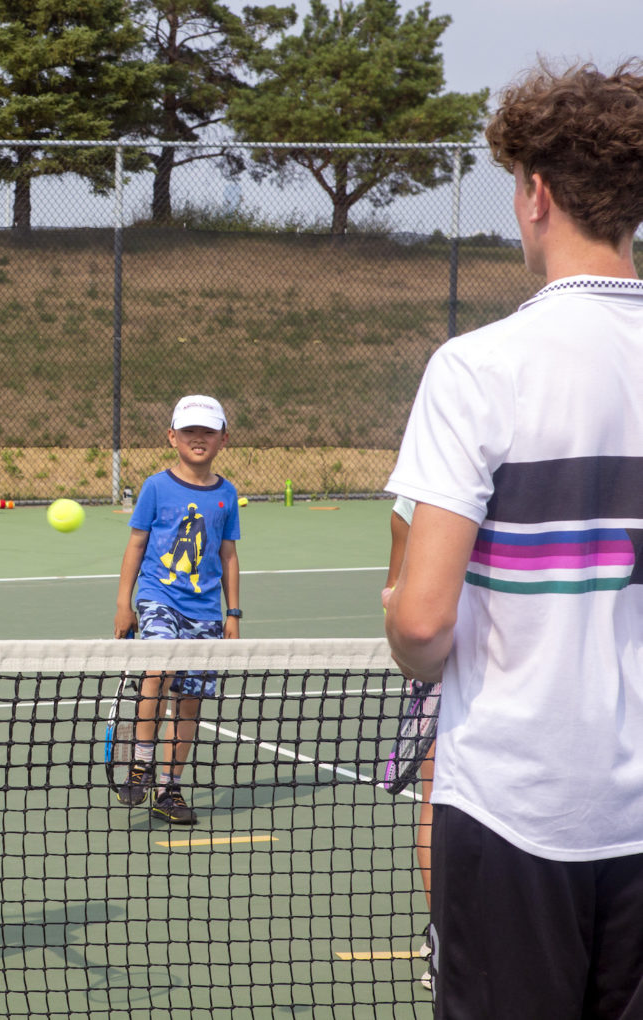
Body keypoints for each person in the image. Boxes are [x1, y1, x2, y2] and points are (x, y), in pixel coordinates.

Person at [385, 62, 643, 1017]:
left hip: (515, 811)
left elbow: (421, 621)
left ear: (537, 194)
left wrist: (402, 626)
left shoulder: (477, 369)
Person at [113, 394, 241, 825]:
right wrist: (123, 604)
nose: (199, 439)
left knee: (189, 705)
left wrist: (233, 614)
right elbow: (135, 546)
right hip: (158, 598)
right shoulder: (155, 487)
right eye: (190, 432)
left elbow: (228, 556)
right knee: (157, 667)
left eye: (208, 431)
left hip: (205, 612)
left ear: (224, 438)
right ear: (173, 437)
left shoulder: (227, 494)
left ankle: (168, 790)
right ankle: (142, 761)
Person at [382, 495, 436, 990]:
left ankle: (446, 937)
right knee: (439, 804)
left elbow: (395, 596)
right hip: (447, 665)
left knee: (438, 804)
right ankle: (447, 935)